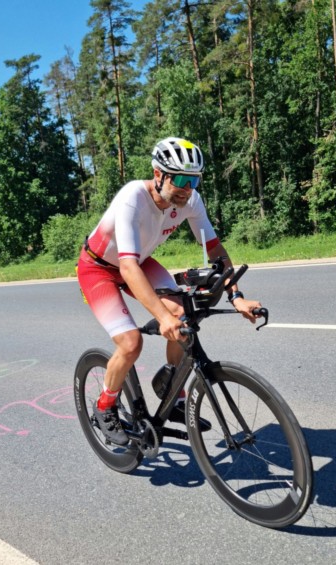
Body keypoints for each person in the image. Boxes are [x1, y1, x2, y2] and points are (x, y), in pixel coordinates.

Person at [76, 137, 263, 445]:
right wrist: (161, 316)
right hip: (99, 268)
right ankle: (104, 406)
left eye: (194, 180)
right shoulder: (132, 197)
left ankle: (172, 389)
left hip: (140, 262)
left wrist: (237, 297)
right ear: (158, 173)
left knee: (183, 316)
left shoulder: (190, 200)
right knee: (131, 342)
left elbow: (215, 250)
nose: (187, 187)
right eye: (179, 179)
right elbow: (127, 268)